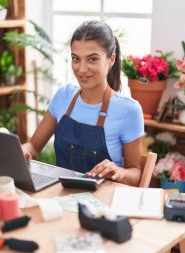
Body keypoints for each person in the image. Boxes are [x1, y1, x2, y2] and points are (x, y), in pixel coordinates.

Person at [22, 20, 144, 186]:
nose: (81, 69)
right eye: (76, 59)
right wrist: (23, 151)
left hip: (102, 205)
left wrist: (119, 172)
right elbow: (34, 147)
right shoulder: (64, 96)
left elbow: (135, 173)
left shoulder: (129, 110)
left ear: (111, 59)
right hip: (60, 195)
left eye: (92, 59)